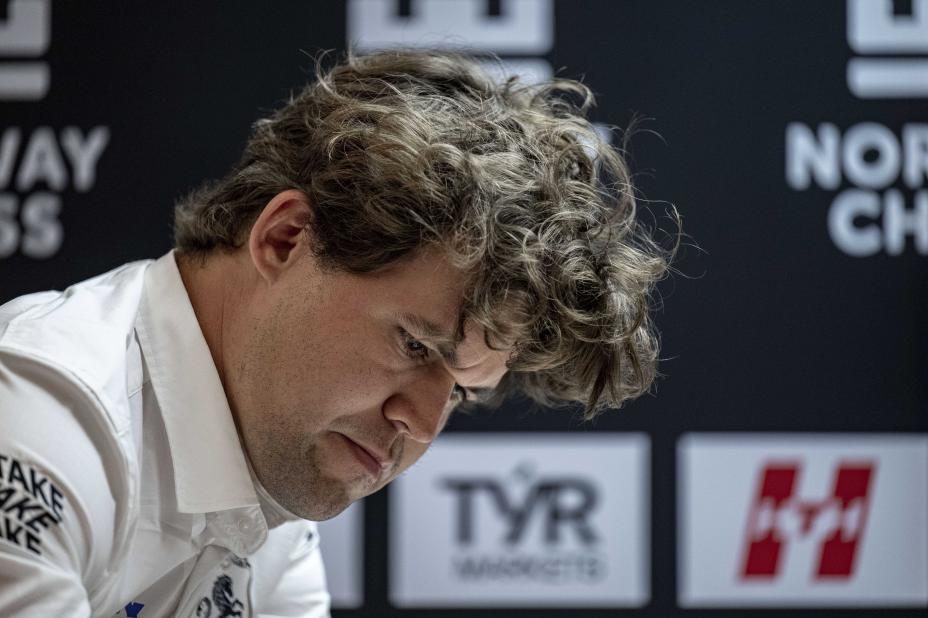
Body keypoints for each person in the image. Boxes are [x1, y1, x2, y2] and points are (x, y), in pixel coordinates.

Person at [0, 50, 670, 616]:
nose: (421, 424)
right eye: (414, 344)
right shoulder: (40, 422)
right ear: (286, 238)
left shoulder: (272, 489)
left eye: (461, 392)